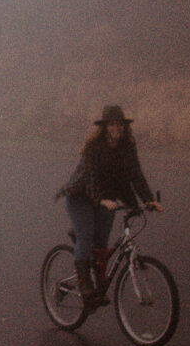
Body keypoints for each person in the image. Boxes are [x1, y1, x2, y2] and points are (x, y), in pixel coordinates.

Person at [56, 104, 160, 306]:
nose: (117, 128)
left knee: (101, 245)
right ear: (105, 127)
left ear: (124, 127)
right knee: (86, 232)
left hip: (107, 199)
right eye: (112, 124)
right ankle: (86, 285)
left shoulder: (127, 148)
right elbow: (91, 177)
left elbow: (135, 176)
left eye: (120, 124)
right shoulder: (94, 148)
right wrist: (101, 199)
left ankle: (97, 284)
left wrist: (148, 200)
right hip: (81, 196)